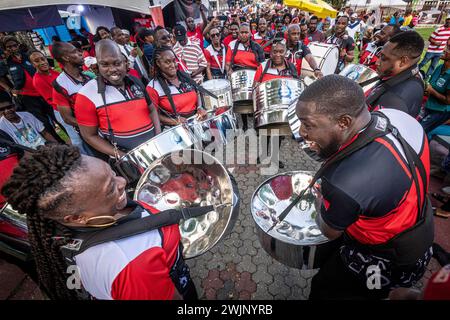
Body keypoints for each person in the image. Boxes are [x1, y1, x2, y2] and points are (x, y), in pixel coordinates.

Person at [294, 75, 433, 300]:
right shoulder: (395, 116)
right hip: (419, 238)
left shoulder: (344, 182)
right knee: (387, 293)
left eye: (308, 124)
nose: (301, 132)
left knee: (329, 290)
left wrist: (318, 200)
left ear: (344, 122)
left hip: (377, 262)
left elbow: (330, 231)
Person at [1, 144, 198, 300]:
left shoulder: (62, 230)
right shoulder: (132, 264)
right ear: (77, 217)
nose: (122, 182)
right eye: (110, 188)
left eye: (112, 173)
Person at [74, 40, 161, 159]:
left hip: (155, 149)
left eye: (117, 63)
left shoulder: (136, 81)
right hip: (127, 159)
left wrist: (158, 137)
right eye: (105, 65)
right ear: (97, 66)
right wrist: (124, 156)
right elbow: (89, 136)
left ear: (125, 63)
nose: (112, 69)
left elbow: (152, 110)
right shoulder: (86, 95)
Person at [367, 31, 425, 118]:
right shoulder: (413, 75)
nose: (377, 62)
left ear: (403, 61)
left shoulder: (393, 100)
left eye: (384, 58)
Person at [147, 46, 207, 127]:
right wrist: (174, 121)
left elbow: (197, 93)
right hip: (175, 130)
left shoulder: (185, 77)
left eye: (174, 61)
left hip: (196, 123)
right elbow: (153, 115)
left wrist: (200, 107)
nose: (173, 65)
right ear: (158, 63)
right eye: (167, 62)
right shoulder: (153, 87)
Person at [52, 41, 93, 154]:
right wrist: (93, 125)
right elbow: (67, 118)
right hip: (91, 135)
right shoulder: (60, 84)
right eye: (75, 51)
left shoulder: (88, 75)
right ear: (66, 57)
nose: (81, 53)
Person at [225, 23, 265, 131]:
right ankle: (245, 125)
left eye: (246, 32)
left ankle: (258, 125)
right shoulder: (232, 45)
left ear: (250, 34)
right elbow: (228, 63)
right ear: (238, 33)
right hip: (238, 74)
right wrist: (229, 72)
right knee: (241, 100)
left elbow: (262, 65)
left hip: (253, 76)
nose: (243, 35)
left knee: (255, 102)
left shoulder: (257, 47)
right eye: (241, 32)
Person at [420, 38, 450, 133]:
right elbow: (430, 87)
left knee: (420, 131)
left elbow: (448, 101)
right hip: (429, 106)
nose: (444, 49)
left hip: (440, 112)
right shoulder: (439, 67)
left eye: (449, 48)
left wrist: (431, 91)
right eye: (446, 45)